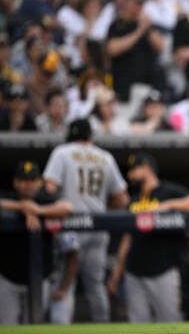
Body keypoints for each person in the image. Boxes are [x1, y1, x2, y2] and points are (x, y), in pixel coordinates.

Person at [43, 118, 129, 323]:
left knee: (65, 282)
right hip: (98, 226)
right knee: (96, 284)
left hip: (71, 224)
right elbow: (122, 199)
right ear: (90, 135)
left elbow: (49, 189)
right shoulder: (105, 157)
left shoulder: (62, 152)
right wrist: (99, 201)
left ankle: (60, 328)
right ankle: (103, 327)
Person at [107, 153, 189, 323]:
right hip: (134, 272)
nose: (130, 175)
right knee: (138, 325)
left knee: (170, 323)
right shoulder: (134, 201)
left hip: (163, 270)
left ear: (147, 169)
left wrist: (166, 205)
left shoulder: (168, 191)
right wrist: (117, 275)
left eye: (134, 170)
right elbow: (127, 239)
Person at [0, 161, 73, 325]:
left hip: (40, 279)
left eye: (32, 180)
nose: (28, 185)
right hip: (8, 278)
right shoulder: (9, 197)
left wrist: (37, 210)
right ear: (15, 182)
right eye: (23, 180)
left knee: (34, 326)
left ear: (40, 182)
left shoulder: (45, 198)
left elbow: (68, 208)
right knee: (6, 326)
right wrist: (21, 207)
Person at [106, 0, 165, 102]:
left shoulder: (149, 26)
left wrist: (147, 29)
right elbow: (112, 49)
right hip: (124, 88)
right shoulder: (118, 25)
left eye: (142, 3)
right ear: (127, 2)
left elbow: (161, 46)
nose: (139, 7)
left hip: (147, 87)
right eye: (136, 2)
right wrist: (139, 32)